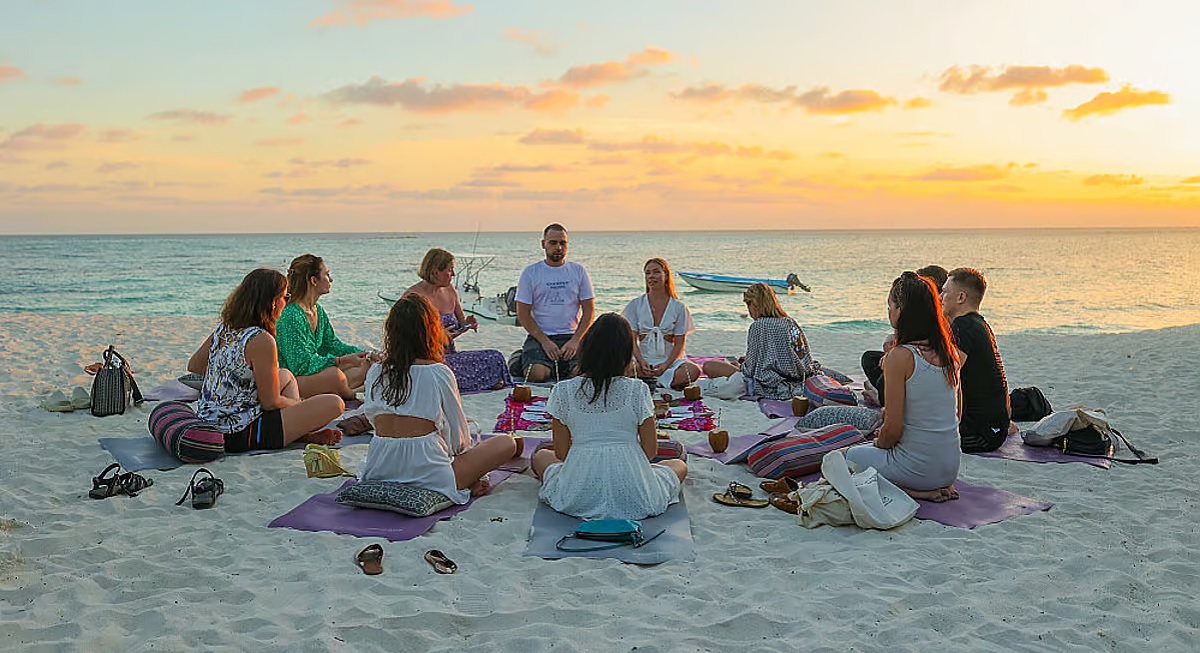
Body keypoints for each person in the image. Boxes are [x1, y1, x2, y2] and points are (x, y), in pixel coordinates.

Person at [358, 294, 519, 503]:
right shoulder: (437, 372)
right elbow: (458, 439)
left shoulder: (376, 371)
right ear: (430, 331)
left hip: (380, 466)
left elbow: (374, 419)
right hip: (430, 474)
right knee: (507, 443)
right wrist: (473, 471)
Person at [532, 313, 687, 520]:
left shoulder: (562, 391)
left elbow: (562, 453)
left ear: (586, 349)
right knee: (679, 465)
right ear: (625, 354)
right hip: (635, 494)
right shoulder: (638, 390)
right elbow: (650, 452)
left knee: (542, 456)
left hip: (577, 494)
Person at [189, 268, 345, 453]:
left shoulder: (226, 328)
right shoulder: (261, 339)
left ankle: (300, 433)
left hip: (209, 419)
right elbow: (270, 402)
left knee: (285, 375)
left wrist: (234, 385)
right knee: (335, 404)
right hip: (239, 432)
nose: (286, 303)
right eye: (285, 298)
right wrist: (301, 405)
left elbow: (194, 366)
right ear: (272, 302)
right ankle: (300, 432)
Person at [845, 272, 962, 502]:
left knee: (842, 458)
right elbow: (958, 414)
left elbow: (893, 430)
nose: (888, 311)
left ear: (901, 311)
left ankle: (915, 491)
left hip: (918, 470)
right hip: (950, 468)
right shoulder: (950, 353)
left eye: (890, 306)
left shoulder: (900, 357)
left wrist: (879, 442)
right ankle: (926, 485)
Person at [403, 248, 512, 393]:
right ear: (436, 272)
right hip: (425, 359)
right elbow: (403, 337)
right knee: (442, 371)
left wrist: (468, 323)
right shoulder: (413, 297)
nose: (453, 274)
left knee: (495, 357)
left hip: (449, 355)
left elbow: (461, 323)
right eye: (450, 270)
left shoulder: (449, 290)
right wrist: (437, 336)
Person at [701, 283, 833, 400]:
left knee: (709, 366)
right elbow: (801, 357)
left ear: (755, 305)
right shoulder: (789, 322)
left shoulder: (759, 326)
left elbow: (750, 371)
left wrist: (740, 365)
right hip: (799, 377)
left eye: (749, 305)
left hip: (768, 383)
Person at [275, 254, 369, 400]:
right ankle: (349, 392)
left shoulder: (317, 309)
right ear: (314, 281)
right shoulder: (291, 315)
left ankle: (342, 389)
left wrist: (364, 354)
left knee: (366, 365)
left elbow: (331, 345)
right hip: (292, 381)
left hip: (311, 375)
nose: (331, 280)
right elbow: (301, 365)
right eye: (327, 274)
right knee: (335, 376)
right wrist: (341, 361)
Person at [941, 267, 1013, 453]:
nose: (940, 296)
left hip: (980, 435)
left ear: (960, 298)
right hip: (995, 429)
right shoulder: (980, 324)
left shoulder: (963, 327)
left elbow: (945, 375)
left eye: (945, 291)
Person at [515, 224, 595, 383]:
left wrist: (575, 341)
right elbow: (523, 313)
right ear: (543, 244)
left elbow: (589, 311)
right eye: (553, 243)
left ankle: (560, 366)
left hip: (571, 336)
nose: (558, 247)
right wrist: (544, 341)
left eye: (562, 243)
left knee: (581, 375)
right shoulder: (531, 272)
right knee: (537, 375)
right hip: (541, 336)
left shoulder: (578, 271)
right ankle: (519, 359)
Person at [862, 265, 948, 407]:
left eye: (890, 307)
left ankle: (881, 398)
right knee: (871, 358)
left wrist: (893, 357)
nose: (889, 312)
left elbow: (893, 427)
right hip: (944, 424)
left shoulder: (940, 322)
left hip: (915, 416)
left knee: (885, 378)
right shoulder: (948, 350)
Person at [622, 258, 702, 390]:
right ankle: (653, 378)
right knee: (621, 367)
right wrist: (641, 361)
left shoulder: (678, 307)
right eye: (648, 273)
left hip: (670, 361)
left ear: (666, 275)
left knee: (693, 371)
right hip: (642, 360)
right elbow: (631, 339)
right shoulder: (636, 304)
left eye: (656, 272)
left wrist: (665, 365)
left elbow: (680, 343)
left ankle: (652, 380)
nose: (651, 276)